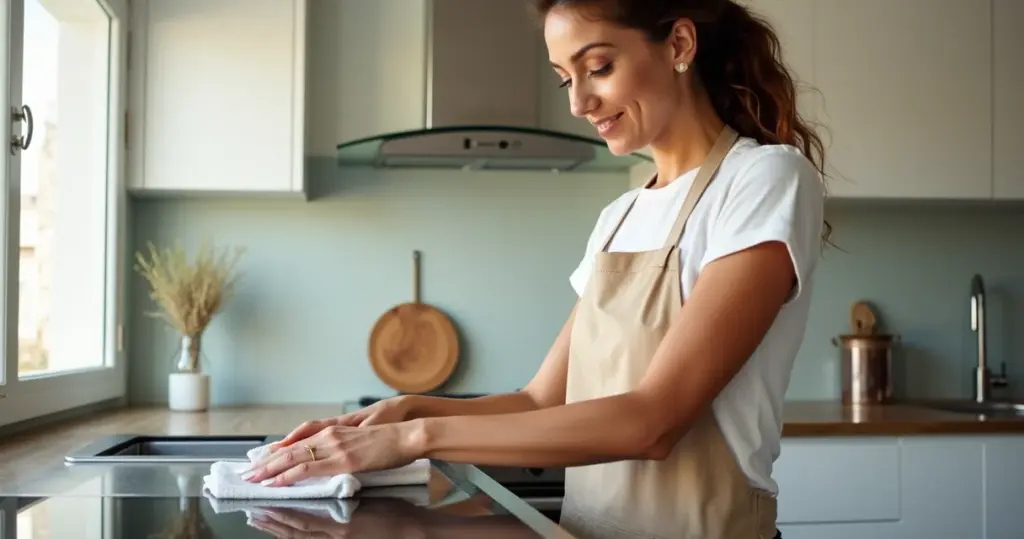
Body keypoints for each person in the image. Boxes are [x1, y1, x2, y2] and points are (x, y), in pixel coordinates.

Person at [243, 0, 827, 537]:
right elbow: (541, 401)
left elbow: (653, 420)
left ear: (678, 44)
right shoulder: (620, 217)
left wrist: (416, 437)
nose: (579, 103)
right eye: (566, 79)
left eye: (598, 67)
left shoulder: (763, 179)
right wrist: (404, 408)